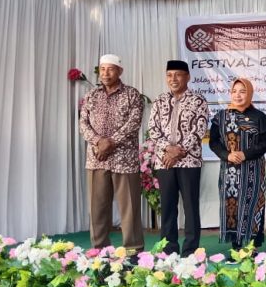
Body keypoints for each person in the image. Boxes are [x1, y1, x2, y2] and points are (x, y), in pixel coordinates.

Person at [78, 54, 145, 254]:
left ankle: (133, 250)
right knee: (97, 208)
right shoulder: (91, 95)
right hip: (97, 159)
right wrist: (99, 142)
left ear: (120, 71)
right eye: (102, 69)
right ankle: (100, 250)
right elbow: (83, 123)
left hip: (124, 160)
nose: (106, 73)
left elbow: (133, 123)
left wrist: (111, 142)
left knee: (129, 208)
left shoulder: (132, 94)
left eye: (111, 69)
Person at [147, 60, 209, 256]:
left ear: (188, 77)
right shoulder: (159, 100)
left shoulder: (198, 100)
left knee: (190, 206)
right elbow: (153, 128)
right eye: (169, 75)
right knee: (167, 206)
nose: (173, 79)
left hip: (189, 162)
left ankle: (190, 249)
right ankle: (168, 249)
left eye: (178, 75)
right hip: (164, 161)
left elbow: (199, 129)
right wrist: (168, 150)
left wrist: (178, 151)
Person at [209, 78, 266, 249]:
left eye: (242, 91)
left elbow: (265, 142)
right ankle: (236, 249)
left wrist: (245, 154)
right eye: (234, 91)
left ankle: (251, 248)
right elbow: (214, 142)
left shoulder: (259, 117)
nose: (237, 95)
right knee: (232, 208)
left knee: (253, 207)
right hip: (229, 171)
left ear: (250, 94)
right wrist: (227, 155)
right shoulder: (220, 117)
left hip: (253, 171)